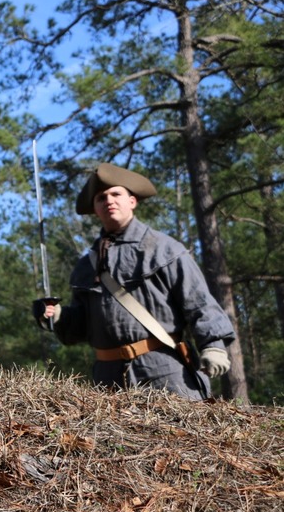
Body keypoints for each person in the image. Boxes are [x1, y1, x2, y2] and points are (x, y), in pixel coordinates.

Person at [33, 162, 235, 400]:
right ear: (95, 209)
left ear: (132, 201)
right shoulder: (85, 266)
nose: (109, 200)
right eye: (101, 198)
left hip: (165, 371)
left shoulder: (163, 248)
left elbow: (198, 301)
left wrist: (213, 344)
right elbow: (81, 327)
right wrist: (57, 317)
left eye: (116, 194)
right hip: (108, 380)